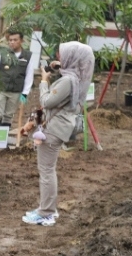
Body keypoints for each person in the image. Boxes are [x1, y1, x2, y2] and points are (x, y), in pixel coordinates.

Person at [21, 42, 94, 227]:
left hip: (53, 130)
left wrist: (44, 81)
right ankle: (47, 210)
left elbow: (47, 101)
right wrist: (55, 68)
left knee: (46, 170)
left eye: (63, 56)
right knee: (48, 169)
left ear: (72, 58)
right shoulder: (76, 77)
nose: (59, 59)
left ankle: (46, 212)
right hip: (59, 127)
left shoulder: (68, 81)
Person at [0, 30, 34, 127]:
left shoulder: (28, 56)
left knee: (8, 115)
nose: (12, 42)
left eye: (15, 40)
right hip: (0, 89)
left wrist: (25, 93)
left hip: (16, 91)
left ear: (21, 41)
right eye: (10, 40)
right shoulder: (2, 53)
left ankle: (2, 140)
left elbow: (29, 74)